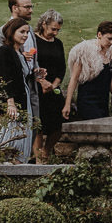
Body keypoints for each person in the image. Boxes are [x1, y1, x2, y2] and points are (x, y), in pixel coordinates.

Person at [0, 18, 40, 163]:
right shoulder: (4, 51)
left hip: (23, 99)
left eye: (27, 32)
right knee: (6, 137)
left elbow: (20, 76)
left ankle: (16, 168)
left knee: (21, 140)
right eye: (22, 32)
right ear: (12, 32)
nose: (25, 35)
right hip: (12, 101)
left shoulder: (19, 53)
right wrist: (10, 102)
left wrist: (35, 74)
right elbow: (4, 77)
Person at [63, 21, 112, 122]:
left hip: (103, 101)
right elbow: (74, 79)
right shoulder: (84, 51)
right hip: (87, 101)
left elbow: (111, 80)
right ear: (99, 35)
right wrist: (67, 104)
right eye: (109, 39)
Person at [30, 10, 67, 163]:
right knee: (38, 125)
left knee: (59, 124)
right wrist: (42, 82)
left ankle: (46, 151)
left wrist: (54, 85)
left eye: (58, 29)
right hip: (37, 88)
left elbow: (62, 68)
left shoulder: (58, 43)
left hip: (53, 88)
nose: (55, 32)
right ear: (44, 24)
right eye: (53, 29)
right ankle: (39, 159)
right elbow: (29, 63)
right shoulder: (33, 41)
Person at [0, 0, 35, 71]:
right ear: (15, 8)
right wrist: (19, 57)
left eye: (32, 7)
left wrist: (37, 70)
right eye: (27, 7)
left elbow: (33, 60)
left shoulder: (29, 29)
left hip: (30, 81)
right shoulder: (2, 31)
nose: (31, 10)